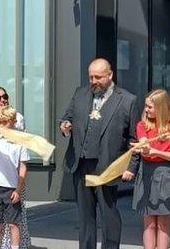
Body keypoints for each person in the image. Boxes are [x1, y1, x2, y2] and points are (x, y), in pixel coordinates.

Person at [60, 58, 141, 249]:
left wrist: (131, 167)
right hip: (81, 163)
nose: (94, 81)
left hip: (107, 166)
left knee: (108, 213)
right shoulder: (80, 94)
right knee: (85, 215)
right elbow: (66, 118)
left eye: (98, 77)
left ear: (110, 75)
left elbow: (135, 139)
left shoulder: (128, 100)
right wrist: (64, 126)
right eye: (91, 77)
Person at [130, 89, 170, 249]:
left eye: (150, 107)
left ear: (161, 108)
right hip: (147, 173)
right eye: (146, 106)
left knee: (163, 224)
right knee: (148, 223)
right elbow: (144, 141)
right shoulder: (142, 125)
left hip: (166, 175)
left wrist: (157, 152)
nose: (146, 110)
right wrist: (144, 148)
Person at [0, 86, 30, 249]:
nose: (3, 100)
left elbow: (23, 163)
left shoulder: (18, 124)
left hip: (13, 181)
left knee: (14, 221)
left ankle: (16, 245)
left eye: (5, 96)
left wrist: (18, 187)